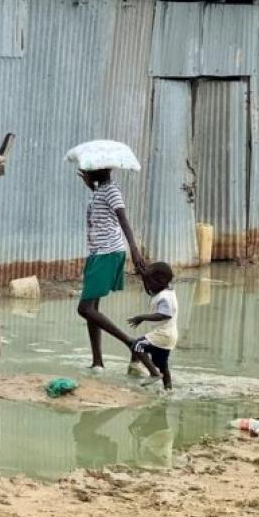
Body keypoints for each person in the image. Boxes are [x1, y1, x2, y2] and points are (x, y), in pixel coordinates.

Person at [75, 167, 155, 375]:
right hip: (98, 253)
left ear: (97, 173)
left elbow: (123, 220)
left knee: (84, 309)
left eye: (88, 171)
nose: (85, 172)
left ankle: (132, 344)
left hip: (107, 253)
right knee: (93, 309)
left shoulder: (112, 191)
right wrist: (91, 187)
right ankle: (98, 362)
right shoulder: (100, 191)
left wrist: (135, 250)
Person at [131, 262, 179, 391]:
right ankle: (168, 389)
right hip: (168, 336)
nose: (148, 285)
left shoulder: (165, 297)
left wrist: (142, 317)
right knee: (162, 364)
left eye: (150, 281)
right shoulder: (164, 289)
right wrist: (143, 275)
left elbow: (164, 315)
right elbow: (149, 289)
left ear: (160, 281)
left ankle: (153, 373)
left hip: (163, 334)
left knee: (137, 345)